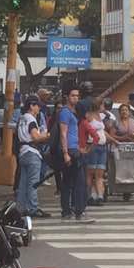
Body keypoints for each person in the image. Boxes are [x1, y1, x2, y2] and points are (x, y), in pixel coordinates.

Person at [57, 89, 92, 222]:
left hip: (74, 149)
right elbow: (63, 133)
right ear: (67, 97)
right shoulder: (65, 113)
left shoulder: (72, 113)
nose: (75, 98)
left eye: (77, 96)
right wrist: (66, 153)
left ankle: (67, 211)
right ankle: (78, 212)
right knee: (79, 182)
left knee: (68, 182)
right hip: (70, 151)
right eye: (73, 96)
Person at [15, 95, 51, 218]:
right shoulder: (31, 119)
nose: (39, 108)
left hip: (22, 152)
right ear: (31, 106)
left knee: (23, 183)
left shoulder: (22, 118)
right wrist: (47, 135)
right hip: (32, 152)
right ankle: (32, 208)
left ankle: (20, 208)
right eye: (37, 106)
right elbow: (35, 137)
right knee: (33, 183)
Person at [81, 100, 108, 206]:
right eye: (102, 105)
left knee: (99, 173)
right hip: (93, 145)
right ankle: (89, 195)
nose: (104, 107)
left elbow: (103, 132)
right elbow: (85, 128)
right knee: (91, 173)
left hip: (102, 146)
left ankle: (99, 195)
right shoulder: (89, 115)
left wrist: (115, 140)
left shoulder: (100, 116)